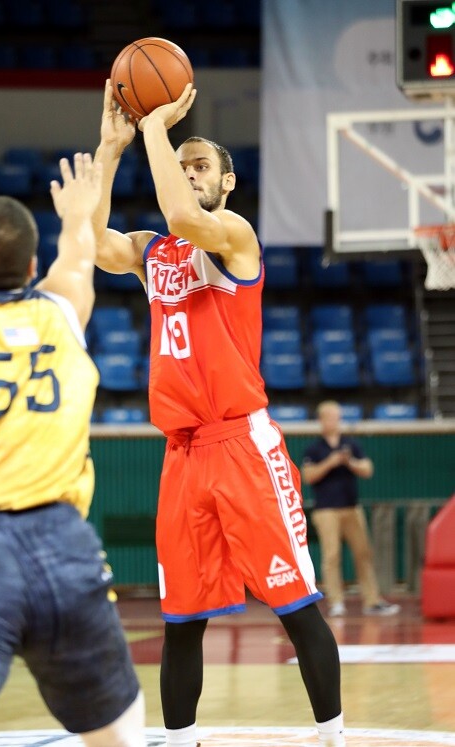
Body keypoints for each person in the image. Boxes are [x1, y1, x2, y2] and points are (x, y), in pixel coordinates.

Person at [91, 79, 346, 747]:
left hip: (243, 447)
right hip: (182, 454)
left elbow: (183, 218)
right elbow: (93, 244)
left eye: (200, 164)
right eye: (183, 165)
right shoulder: (154, 252)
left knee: (295, 605)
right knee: (182, 618)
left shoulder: (234, 234)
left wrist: (156, 129)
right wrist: (112, 149)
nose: (189, 172)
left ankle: (334, 737)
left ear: (227, 182)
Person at [0, 153, 146, 747]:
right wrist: (77, 212)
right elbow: (79, 252)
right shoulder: (64, 309)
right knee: (119, 736)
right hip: (64, 544)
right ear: (32, 265)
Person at [301, 400, 401, 618]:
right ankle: (336, 602)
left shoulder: (350, 445)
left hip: (351, 507)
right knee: (332, 556)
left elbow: (367, 469)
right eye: (330, 417)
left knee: (364, 553)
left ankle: (372, 601)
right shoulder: (314, 449)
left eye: (337, 417)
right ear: (321, 420)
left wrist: (349, 462)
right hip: (326, 510)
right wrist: (330, 462)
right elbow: (308, 476)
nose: (334, 421)